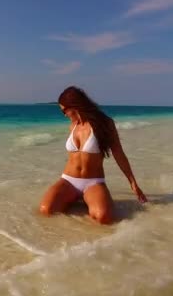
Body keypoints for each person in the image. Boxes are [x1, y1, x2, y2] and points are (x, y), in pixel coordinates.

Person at [39, 86, 148, 224]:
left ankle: (89, 198)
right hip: (68, 180)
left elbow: (118, 154)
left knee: (104, 217)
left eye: (63, 110)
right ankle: (75, 198)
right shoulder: (73, 126)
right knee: (46, 210)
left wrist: (133, 183)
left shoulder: (105, 123)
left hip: (93, 182)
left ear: (74, 106)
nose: (64, 115)